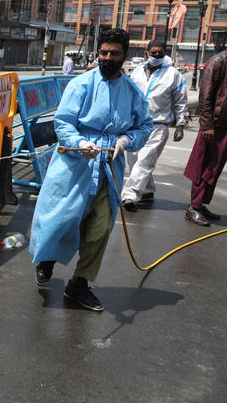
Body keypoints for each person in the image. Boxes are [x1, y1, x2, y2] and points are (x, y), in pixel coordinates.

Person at [30, 28, 153, 311]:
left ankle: (79, 285)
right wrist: (78, 142)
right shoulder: (81, 85)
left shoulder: (133, 91)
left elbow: (145, 125)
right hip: (76, 163)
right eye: (103, 53)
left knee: (99, 229)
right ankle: (46, 260)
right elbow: (63, 122)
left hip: (109, 166)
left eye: (114, 54)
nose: (108, 58)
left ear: (125, 56)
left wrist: (126, 140)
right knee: (60, 220)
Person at [183, 22, 227, 226]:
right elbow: (206, 97)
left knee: (216, 166)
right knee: (206, 164)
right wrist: (206, 125)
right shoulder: (218, 62)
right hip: (217, 125)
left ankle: (201, 203)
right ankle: (193, 207)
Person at [121, 40, 189, 211]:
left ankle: (129, 195)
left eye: (160, 53)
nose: (157, 56)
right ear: (146, 53)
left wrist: (180, 124)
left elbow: (181, 101)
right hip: (135, 125)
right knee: (134, 159)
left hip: (158, 125)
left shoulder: (173, 75)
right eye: (154, 52)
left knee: (145, 161)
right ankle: (148, 190)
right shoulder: (137, 72)